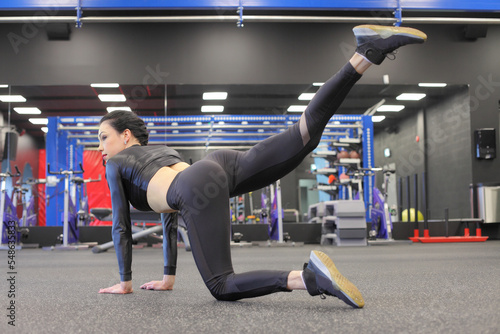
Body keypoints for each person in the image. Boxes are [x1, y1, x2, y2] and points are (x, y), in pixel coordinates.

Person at [97, 24, 427, 308]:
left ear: (126, 137)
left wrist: (124, 282)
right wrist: (168, 277)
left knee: (222, 285)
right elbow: (170, 216)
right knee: (303, 136)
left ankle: (308, 278)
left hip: (197, 186)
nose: (100, 148)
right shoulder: (162, 151)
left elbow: (121, 226)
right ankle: (365, 55)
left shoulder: (117, 164)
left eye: (103, 138)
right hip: (216, 165)